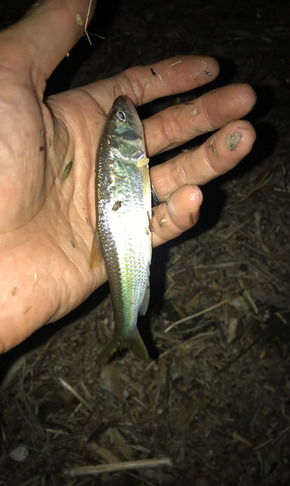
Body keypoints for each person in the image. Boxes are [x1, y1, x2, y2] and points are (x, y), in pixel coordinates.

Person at [0, 0, 256, 354]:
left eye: (118, 120)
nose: (125, 114)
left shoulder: (125, 157)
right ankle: (127, 328)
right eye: (121, 121)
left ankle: (127, 327)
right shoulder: (123, 154)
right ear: (120, 143)